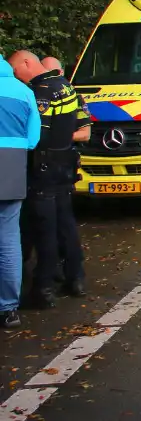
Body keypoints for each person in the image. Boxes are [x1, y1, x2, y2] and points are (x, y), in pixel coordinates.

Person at [7, 51, 90, 309]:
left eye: (15, 69)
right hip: (65, 164)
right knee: (65, 223)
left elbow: (37, 136)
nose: (15, 76)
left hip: (44, 167)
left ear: (26, 63)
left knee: (44, 228)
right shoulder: (66, 87)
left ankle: (43, 288)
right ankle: (75, 278)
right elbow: (80, 127)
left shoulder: (40, 92)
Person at [0, 56, 40, 328]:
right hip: (12, 165)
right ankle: (8, 308)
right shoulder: (24, 91)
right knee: (9, 238)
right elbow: (33, 139)